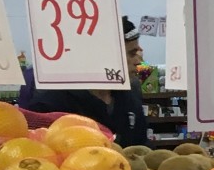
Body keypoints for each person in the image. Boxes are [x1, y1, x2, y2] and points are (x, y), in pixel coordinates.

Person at [17, 17, 150, 146]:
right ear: (104, 55)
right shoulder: (51, 103)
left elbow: (143, 149)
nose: (139, 62)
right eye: (132, 54)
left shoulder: (130, 95)